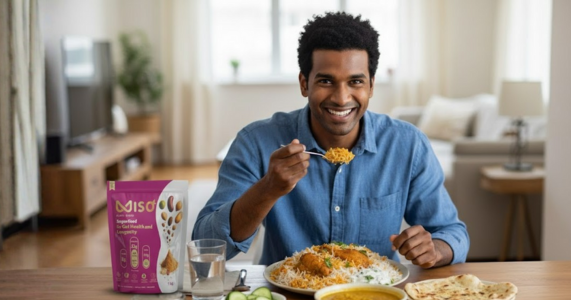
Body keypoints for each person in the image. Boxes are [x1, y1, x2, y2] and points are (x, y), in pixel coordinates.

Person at [193, 12, 469, 268]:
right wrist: (268, 189)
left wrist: (434, 249)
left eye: (355, 82)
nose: (341, 98)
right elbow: (205, 246)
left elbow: (453, 233)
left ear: (371, 85)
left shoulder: (408, 145)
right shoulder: (256, 142)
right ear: (304, 84)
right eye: (326, 81)